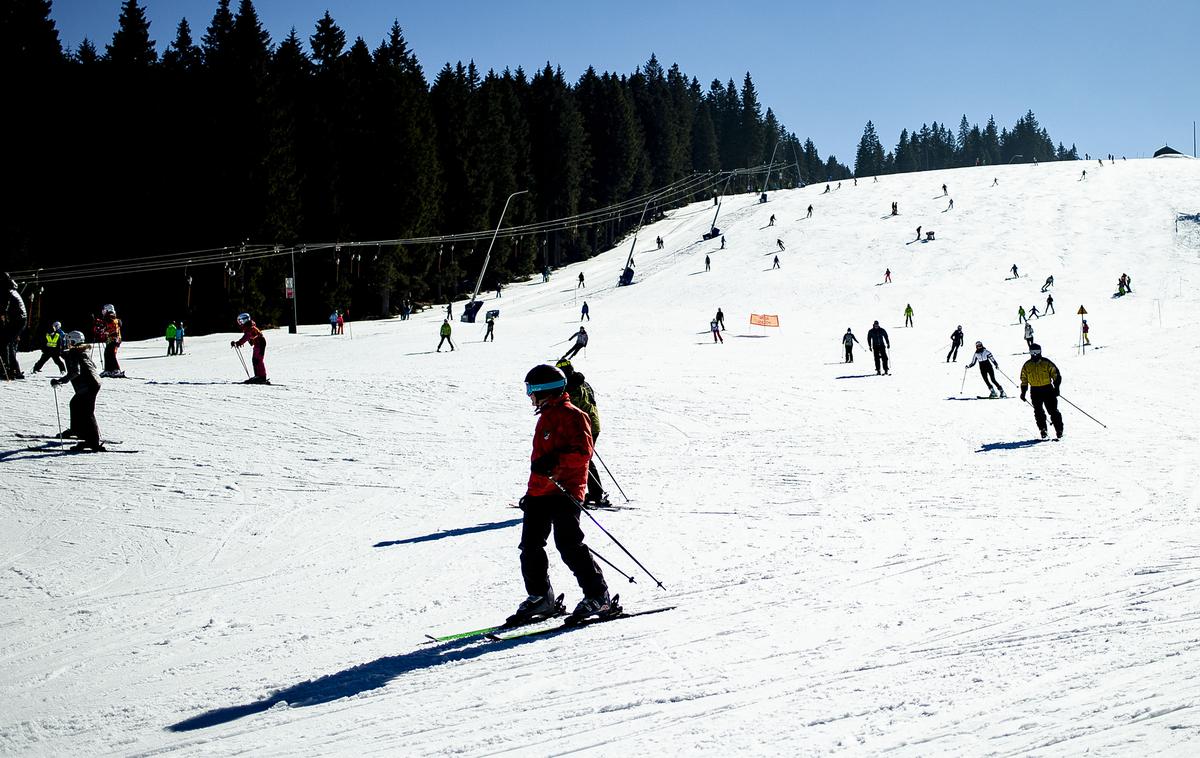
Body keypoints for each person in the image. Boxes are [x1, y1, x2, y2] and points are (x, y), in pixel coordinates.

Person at [509, 364, 614, 625]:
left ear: (545, 390)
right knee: (530, 547)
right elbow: (539, 462)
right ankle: (540, 597)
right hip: (540, 493)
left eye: (531, 389)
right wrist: (530, 492)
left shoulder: (574, 416)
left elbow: (582, 455)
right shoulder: (545, 416)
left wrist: (554, 462)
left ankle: (598, 595)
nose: (528, 395)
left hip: (565, 490)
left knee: (568, 545)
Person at [556, 359, 609, 508]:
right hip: (593, 424)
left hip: (584, 427)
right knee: (586, 458)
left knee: (582, 459)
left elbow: (572, 411)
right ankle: (595, 493)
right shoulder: (583, 383)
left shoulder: (569, 388)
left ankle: (592, 493)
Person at [51, 331, 105, 451]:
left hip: (88, 385)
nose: (66, 343)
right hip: (91, 384)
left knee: (86, 412)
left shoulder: (74, 352)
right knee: (75, 404)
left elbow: (75, 372)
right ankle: (77, 430)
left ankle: (92, 442)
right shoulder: (81, 351)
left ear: (74, 341)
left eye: (69, 341)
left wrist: (60, 381)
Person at [1019, 344, 1064, 439]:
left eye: (1037, 352)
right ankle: (1043, 430)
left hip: (1047, 389)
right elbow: (1024, 379)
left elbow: (1056, 375)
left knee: (1052, 410)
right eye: (1032, 352)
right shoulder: (1027, 365)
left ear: (1040, 352)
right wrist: (1023, 392)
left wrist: (1056, 388)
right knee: (1038, 411)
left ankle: (1059, 430)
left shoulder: (1046, 363)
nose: (1034, 354)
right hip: (1035, 390)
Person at [2, 272, 28, 379]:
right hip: (19, 319)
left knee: (5, 343)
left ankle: (9, 370)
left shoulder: (6, 289)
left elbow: (5, 305)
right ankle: (14, 370)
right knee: (9, 343)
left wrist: (3, 315)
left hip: (17, 320)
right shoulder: (11, 287)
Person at [231, 312, 269, 383]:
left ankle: (261, 377)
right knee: (255, 360)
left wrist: (239, 343)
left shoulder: (249, 328)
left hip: (260, 343)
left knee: (257, 360)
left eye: (241, 321)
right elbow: (249, 337)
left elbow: (246, 336)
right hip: (258, 343)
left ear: (245, 320)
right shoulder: (248, 327)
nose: (240, 323)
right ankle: (258, 376)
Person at [99, 304, 123, 378]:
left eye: (104, 310)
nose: (103, 312)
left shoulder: (110, 317)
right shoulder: (110, 318)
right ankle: (108, 370)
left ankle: (116, 370)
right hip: (112, 339)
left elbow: (112, 328)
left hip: (113, 339)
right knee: (107, 353)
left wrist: (104, 331)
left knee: (111, 354)